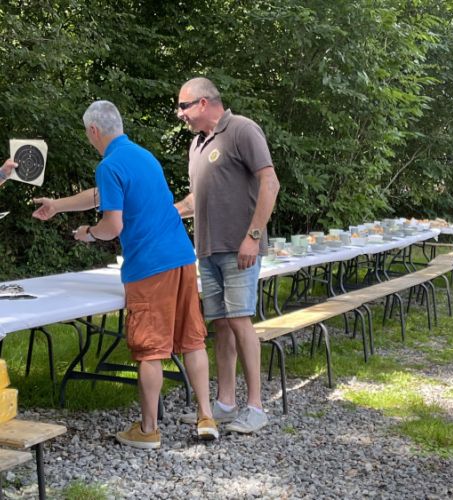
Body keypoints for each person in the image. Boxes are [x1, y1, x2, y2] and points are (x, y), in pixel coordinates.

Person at [32, 100, 218, 448]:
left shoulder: (109, 165)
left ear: (93, 131)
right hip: (181, 257)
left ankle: (148, 430)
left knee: (150, 349)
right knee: (192, 340)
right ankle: (206, 417)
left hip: (149, 267)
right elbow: (100, 196)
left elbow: (112, 226)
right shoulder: (143, 156)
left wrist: (89, 233)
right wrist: (57, 205)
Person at [175, 77, 280, 433]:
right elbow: (196, 199)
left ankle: (256, 407)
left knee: (239, 320)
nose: (180, 114)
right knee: (221, 325)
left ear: (203, 103)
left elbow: (270, 183)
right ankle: (224, 404)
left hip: (239, 249)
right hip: (207, 250)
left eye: (184, 106)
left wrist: (253, 237)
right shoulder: (196, 145)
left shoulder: (242, 130)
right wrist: (167, 212)